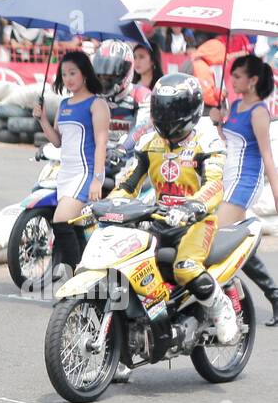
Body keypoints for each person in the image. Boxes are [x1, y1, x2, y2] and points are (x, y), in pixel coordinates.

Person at [111, 73, 239, 344]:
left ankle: (221, 307)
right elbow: (130, 182)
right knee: (126, 267)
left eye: (173, 110)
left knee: (185, 268)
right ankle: (128, 339)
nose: (167, 117)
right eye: (162, 108)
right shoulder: (149, 143)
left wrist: (194, 205)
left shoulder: (208, 143)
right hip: (158, 219)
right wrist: (109, 203)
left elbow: (215, 186)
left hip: (196, 222)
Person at [33, 51, 110, 282]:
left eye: (73, 73)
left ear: (85, 74)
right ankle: (83, 279)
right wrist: (42, 119)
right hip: (64, 174)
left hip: (85, 173)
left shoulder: (97, 104)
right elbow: (57, 141)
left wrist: (97, 178)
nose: (68, 78)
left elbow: (101, 142)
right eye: (64, 74)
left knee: (61, 220)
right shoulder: (64, 104)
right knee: (74, 229)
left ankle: (75, 280)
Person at [219, 55, 278, 326]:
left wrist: (277, 194)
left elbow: (267, 157)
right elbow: (231, 141)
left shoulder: (259, 112)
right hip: (227, 178)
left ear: (253, 80)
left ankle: (229, 301)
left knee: (218, 240)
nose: (232, 80)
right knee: (236, 246)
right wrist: (218, 121)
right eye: (232, 76)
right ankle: (275, 296)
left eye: (238, 76)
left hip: (246, 181)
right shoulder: (234, 105)